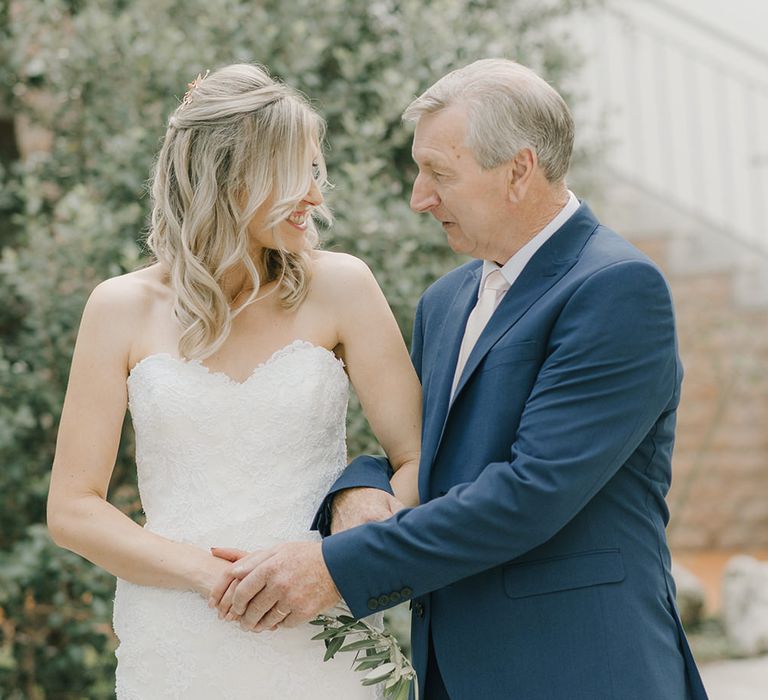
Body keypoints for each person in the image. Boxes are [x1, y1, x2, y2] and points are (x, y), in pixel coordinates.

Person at [210, 59, 710, 699]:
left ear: (519, 171)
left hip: (582, 665)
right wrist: (354, 492)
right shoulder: (446, 301)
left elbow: (535, 491)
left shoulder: (615, 288)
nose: (420, 197)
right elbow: (422, 444)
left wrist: (336, 569)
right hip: (457, 671)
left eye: (439, 174)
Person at [46, 63, 421, 699]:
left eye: (314, 171)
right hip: (178, 635)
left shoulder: (344, 287)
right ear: (229, 177)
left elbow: (418, 457)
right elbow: (73, 507)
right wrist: (206, 574)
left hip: (322, 628)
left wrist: (340, 559)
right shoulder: (119, 308)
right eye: (295, 174)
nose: (315, 197)